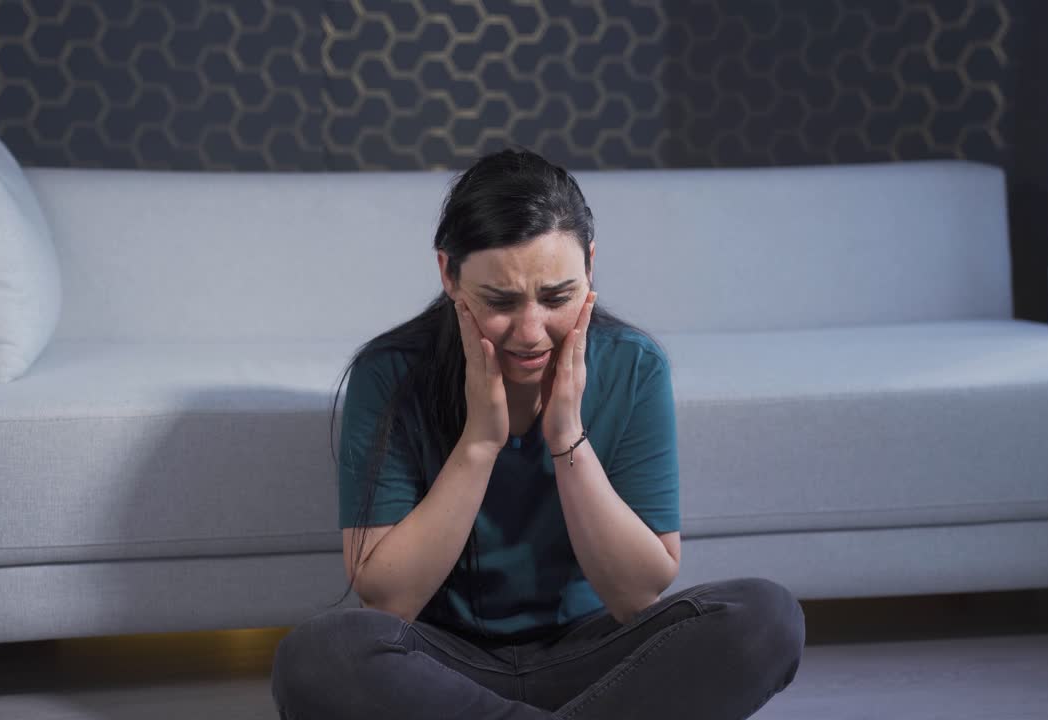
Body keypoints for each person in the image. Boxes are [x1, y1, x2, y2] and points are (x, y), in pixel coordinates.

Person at [271, 148, 804, 719]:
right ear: (448, 273)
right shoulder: (389, 372)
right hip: (442, 668)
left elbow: (635, 595)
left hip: (595, 660)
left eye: (557, 298)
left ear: (591, 267)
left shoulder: (634, 366)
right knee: (318, 656)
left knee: (767, 619)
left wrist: (567, 436)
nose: (531, 333)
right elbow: (388, 600)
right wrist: (479, 441)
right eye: (500, 302)